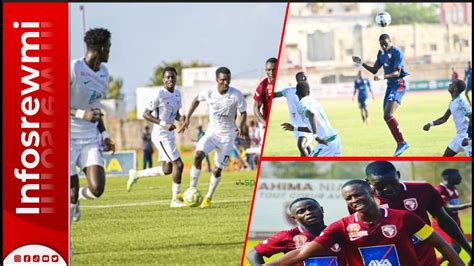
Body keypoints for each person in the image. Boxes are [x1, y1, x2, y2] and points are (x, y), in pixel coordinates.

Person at [267, 180, 464, 266]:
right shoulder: (342, 227)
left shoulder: (404, 218)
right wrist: (273, 265)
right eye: (348, 198)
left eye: (357, 195)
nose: (353, 201)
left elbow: (440, 244)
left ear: (372, 194)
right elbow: (303, 252)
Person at [364, 161, 472, 265]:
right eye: (380, 185)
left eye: (392, 182)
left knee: (454, 247)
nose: (388, 188)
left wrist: (470, 251)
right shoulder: (364, 203)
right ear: (368, 182)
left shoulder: (422, 190)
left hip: (425, 259)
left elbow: (445, 220)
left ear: (398, 175)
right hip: (392, 260)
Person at [180, 67, 247, 208]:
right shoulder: (209, 92)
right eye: (222, 80)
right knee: (198, 155)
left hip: (227, 137)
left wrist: (240, 126)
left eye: (228, 80)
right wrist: (187, 118)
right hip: (211, 134)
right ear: (217, 80)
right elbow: (195, 100)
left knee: (217, 169)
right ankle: (192, 188)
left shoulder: (236, 95)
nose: (226, 83)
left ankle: (208, 197)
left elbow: (243, 112)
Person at [70, 28, 115, 225]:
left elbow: (95, 109)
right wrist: (81, 114)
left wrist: (105, 134)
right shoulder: (73, 68)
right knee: (70, 193)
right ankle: (66, 242)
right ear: (101, 48)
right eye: (109, 47)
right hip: (67, 138)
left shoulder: (104, 74)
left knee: (97, 189)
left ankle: (77, 198)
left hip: (90, 138)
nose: (110, 52)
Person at [127, 67, 186, 208]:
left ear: (176, 78)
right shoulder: (159, 94)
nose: (170, 79)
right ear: (163, 79)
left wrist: (181, 119)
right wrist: (164, 123)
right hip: (160, 134)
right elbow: (145, 114)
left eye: (172, 77)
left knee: (167, 169)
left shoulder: (178, 94)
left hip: (169, 134)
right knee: (178, 164)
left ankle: (136, 174)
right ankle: (175, 200)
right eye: (167, 77)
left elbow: (175, 113)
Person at [352, 33, 409, 156]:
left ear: (390, 42)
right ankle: (401, 143)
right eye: (382, 44)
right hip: (390, 86)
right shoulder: (381, 53)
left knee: (388, 114)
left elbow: (397, 73)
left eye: (386, 44)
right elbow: (374, 70)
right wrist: (361, 63)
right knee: (386, 116)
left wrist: (382, 77)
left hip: (399, 84)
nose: (384, 46)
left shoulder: (397, 53)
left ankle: (402, 143)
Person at [246, 198, 345, 266]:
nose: (308, 213)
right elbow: (253, 253)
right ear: (294, 218)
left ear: (321, 210)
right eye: (301, 211)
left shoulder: (338, 233)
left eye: (311, 208)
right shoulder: (288, 236)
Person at [281, 81, 341, 156]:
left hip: (325, 142)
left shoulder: (301, 104)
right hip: (335, 139)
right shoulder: (315, 102)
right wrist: (295, 128)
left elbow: (311, 114)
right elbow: (314, 126)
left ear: (296, 93)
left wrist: (316, 136)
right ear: (309, 92)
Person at [423, 79, 472, 157]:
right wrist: (430, 124)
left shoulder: (462, 102)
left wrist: (468, 137)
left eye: (452, 84)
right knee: (446, 156)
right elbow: (444, 119)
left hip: (467, 136)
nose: (450, 84)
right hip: (459, 136)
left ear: (455, 88)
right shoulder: (452, 102)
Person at [432, 169, 472, 264]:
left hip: (455, 223)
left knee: (457, 249)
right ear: (447, 177)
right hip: (443, 224)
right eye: (457, 175)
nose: (460, 178)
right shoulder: (440, 190)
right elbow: (448, 208)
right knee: (455, 248)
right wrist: (469, 205)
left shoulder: (454, 189)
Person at [273, 71, 312, 156]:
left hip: (305, 125)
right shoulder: (289, 91)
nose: (307, 79)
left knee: (301, 145)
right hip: (294, 125)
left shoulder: (308, 92)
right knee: (306, 148)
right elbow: (275, 94)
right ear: (304, 79)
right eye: (306, 77)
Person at [254, 57, 277, 125]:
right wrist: (265, 123)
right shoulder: (262, 85)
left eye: (274, 69)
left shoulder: (283, 82)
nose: (271, 72)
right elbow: (256, 108)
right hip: (267, 121)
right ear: (266, 70)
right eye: (268, 70)